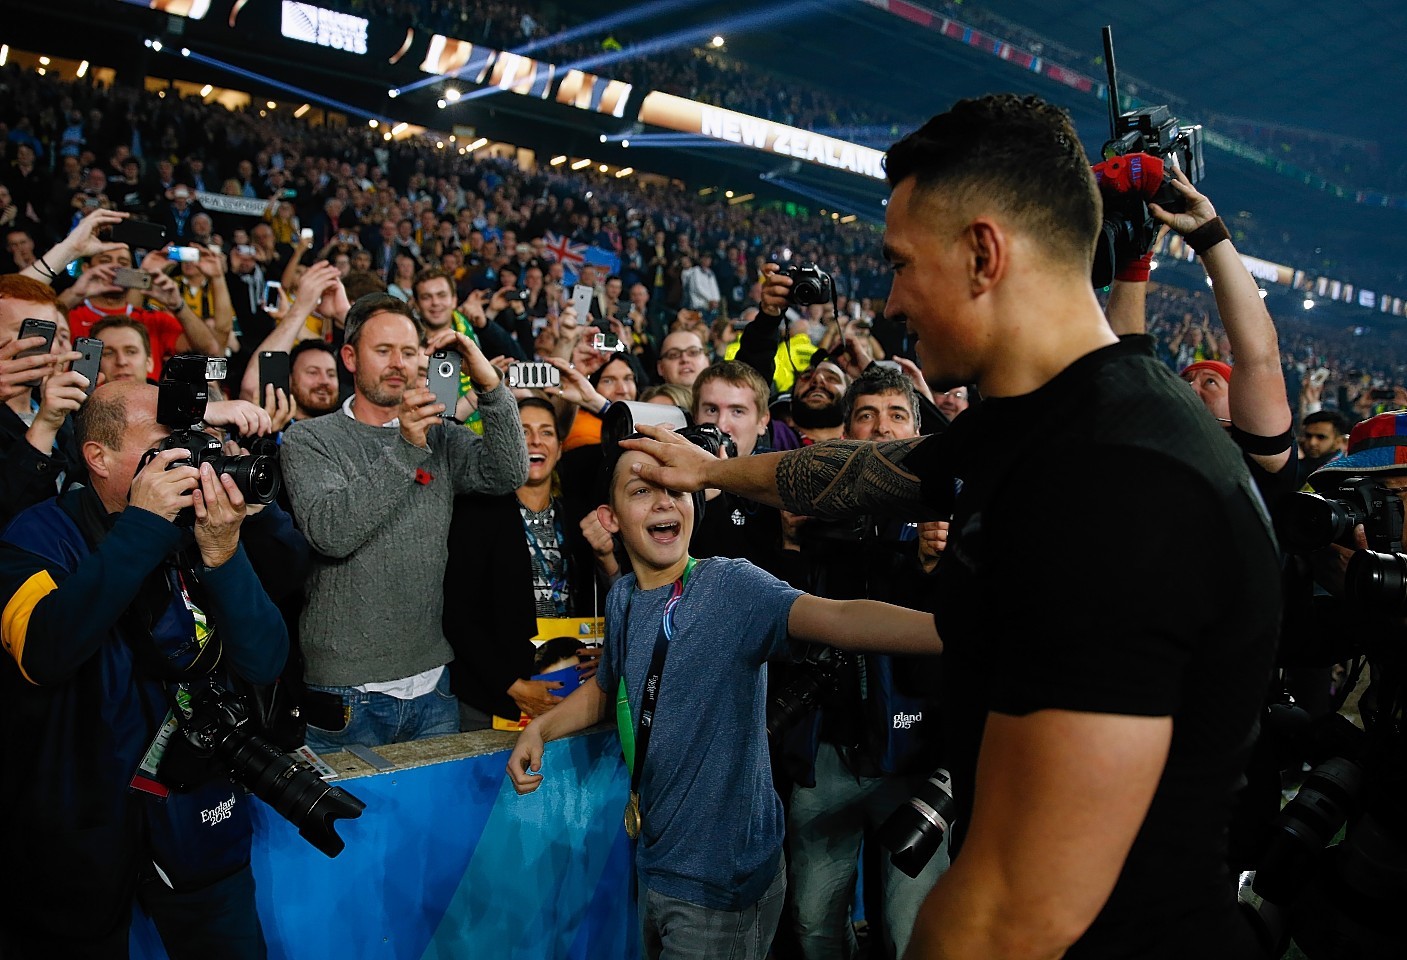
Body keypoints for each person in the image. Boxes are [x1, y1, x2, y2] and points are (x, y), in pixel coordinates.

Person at [622, 93, 1281, 959]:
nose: (891, 300)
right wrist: (708, 469)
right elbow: (865, 473)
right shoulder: (1044, 421)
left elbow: (1015, 911)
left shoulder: (1113, 480)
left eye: (900, 262)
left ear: (982, 253)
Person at [505, 441, 940, 960]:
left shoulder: (731, 586)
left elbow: (842, 619)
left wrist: (952, 631)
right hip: (658, 863)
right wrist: (541, 729)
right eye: (642, 491)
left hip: (722, 885)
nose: (665, 503)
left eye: (677, 489)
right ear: (610, 517)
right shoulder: (622, 598)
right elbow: (608, 689)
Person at [0, 380, 288, 957]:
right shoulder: (33, 536)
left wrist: (224, 555)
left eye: (187, 436)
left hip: (196, 816)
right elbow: (44, 651)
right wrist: (144, 525)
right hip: (77, 839)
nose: (183, 452)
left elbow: (264, 660)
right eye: (163, 439)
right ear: (98, 457)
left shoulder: (200, 527)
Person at [280, 293, 528, 753]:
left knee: (431, 827)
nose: (399, 363)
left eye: (410, 352)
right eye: (384, 351)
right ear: (350, 357)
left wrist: (489, 384)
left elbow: (509, 471)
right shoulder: (310, 439)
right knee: (345, 827)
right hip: (346, 692)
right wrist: (406, 448)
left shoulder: (443, 436)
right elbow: (331, 533)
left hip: (434, 686)